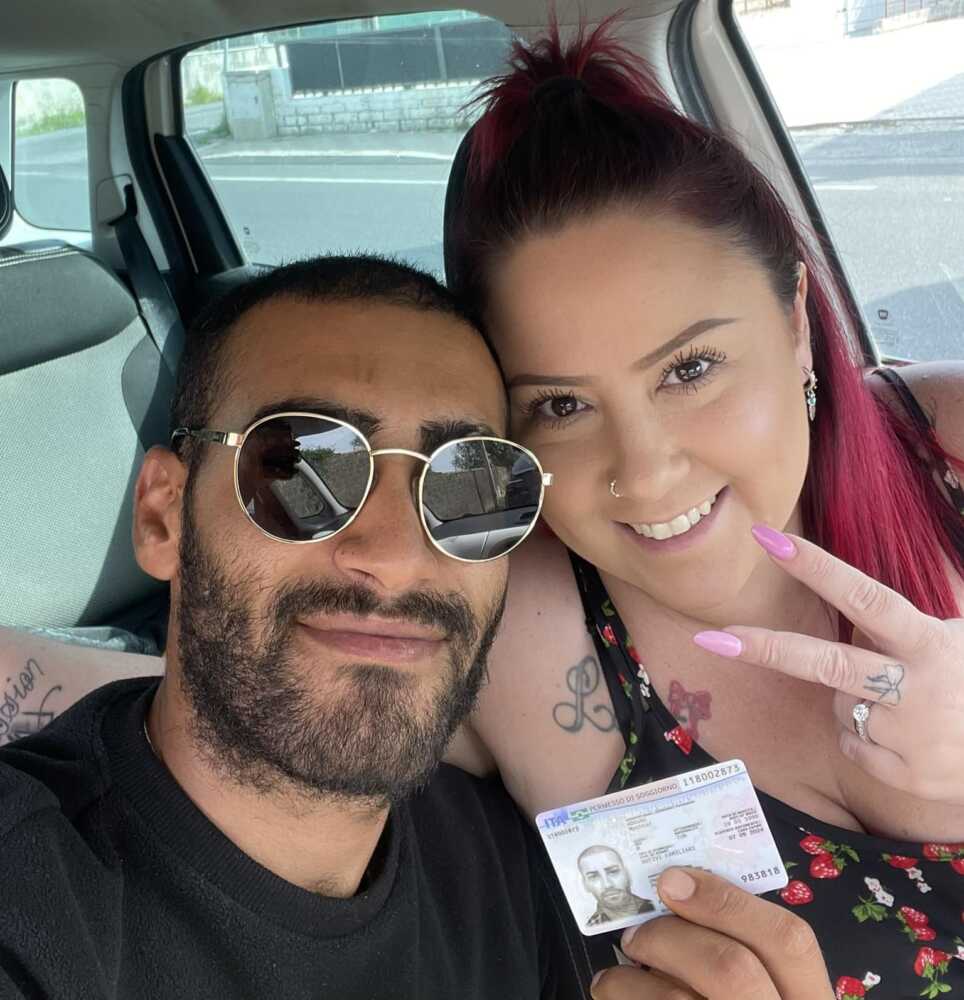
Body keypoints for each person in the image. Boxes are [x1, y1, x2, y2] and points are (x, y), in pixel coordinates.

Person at [439, 17, 964, 998]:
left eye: (689, 368)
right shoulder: (522, 622)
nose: (644, 474)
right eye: (561, 406)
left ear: (796, 322)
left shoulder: (950, 448)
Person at [0, 255, 602, 999]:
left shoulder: (498, 863)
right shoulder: (31, 897)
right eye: (299, 469)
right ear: (163, 517)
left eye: (471, 485)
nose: (396, 559)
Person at [576, 845, 655, 927]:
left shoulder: (656, 907)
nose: (607, 885)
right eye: (594, 877)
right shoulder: (591, 927)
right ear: (585, 885)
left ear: (628, 874)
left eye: (613, 871)